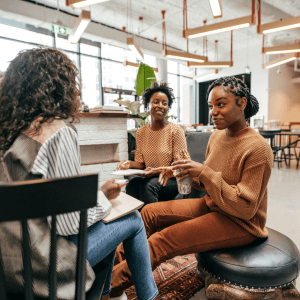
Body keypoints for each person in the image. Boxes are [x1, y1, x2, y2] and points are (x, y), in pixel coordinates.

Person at [0, 48, 158, 300]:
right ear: (60, 86)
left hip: (7, 268)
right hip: (44, 270)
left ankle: (105, 295)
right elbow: (69, 223)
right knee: (131, 220)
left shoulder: (8, 133)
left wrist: (96, 196)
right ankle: (148, 297)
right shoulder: (57, 132)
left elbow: (42, 202)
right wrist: (104, 200)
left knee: (106, 223)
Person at [109, 76, 273, 297]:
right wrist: (180, 172)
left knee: (161, 241)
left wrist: (204, 172)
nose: (213, 112)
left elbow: (246, 208)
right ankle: (104, 267)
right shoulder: (216, 137)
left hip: (241, 222)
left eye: (221, 104)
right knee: (147, 213)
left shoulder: (258, 148)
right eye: (211, 106)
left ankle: (102, 287)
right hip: (213, 205)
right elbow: (204, 179)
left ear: (241, 103)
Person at [117, 81, 190, 206]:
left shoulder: (175, 130)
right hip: (152, 178)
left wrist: (155, 171)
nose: (160, 106)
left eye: (164, 103)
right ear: (147, 105)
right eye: (156, 102)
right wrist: (128, 164)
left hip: (172, 179)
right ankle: (138, 222)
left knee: (148, 185)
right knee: (132, 185)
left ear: (168, 108)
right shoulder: (141, 132)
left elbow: (181, 167)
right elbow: (141, 164)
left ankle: (152, 224)